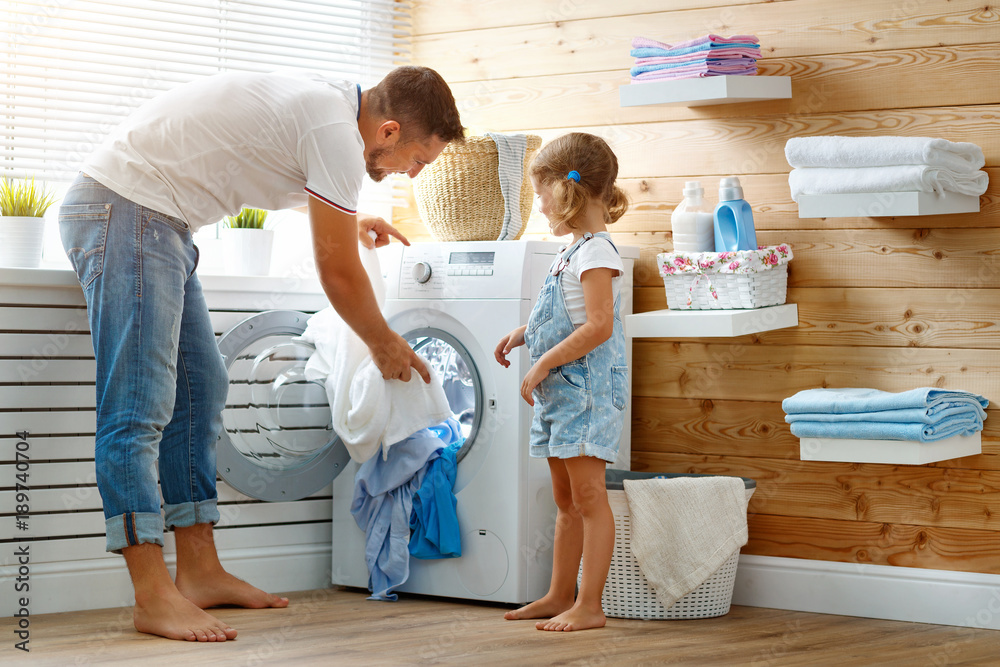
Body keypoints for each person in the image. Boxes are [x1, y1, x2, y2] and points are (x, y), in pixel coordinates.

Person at [58, 66, 464, 642]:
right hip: (125, 210)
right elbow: (337, 273)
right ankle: (152, 594)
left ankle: (199, 572)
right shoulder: (334, 130)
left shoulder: (332, 112)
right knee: (138, 408)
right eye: (419, 160)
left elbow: (269, 161)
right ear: (391, 131)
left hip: (156, 219)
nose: (414, 174)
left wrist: (352, 224)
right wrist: (383, 343)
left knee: (201, 390)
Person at [494, 133, 630, 632]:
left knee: (590, 498)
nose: (540, 204)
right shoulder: (573, 251)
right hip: (563, 395)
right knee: (566, 500)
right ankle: (558, 594)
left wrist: (543, 362)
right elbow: (566, 315)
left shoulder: (597, 253)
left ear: (567, 190)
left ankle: (589, 605)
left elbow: (598, 326)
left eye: (541, 193)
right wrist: (525, 333)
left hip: (586, 394)